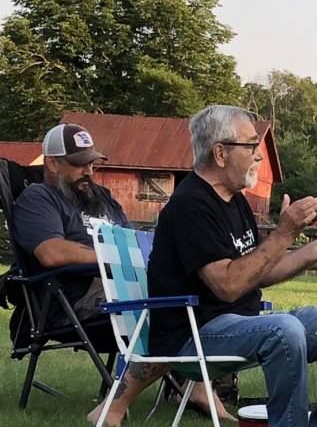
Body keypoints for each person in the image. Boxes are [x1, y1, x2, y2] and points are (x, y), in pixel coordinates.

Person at [142, 105, 317, 427]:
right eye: (250, 146)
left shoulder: (235, 202)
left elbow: (256, 273)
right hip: (193, 335)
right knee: (283, 329)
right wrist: (284, 232)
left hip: (240, 325)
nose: (258, 156)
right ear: (220, 153)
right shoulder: (190, 204)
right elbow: (229, 285)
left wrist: (316, 249)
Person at [11, 123, 231, 426]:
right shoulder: (39, 199)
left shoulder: (101, 197)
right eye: (79, 163)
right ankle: (175, 392)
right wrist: (114, 258)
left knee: (205, 293)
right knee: (171, 306)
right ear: (52, 162)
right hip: (74, 298)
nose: (88, 170)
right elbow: (51, 253)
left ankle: (197, 386)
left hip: (125, 285)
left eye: (92, 162)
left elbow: (131, 241)